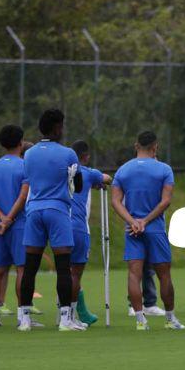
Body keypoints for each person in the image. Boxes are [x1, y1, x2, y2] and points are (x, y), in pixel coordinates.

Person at [18, 109, 84, 332]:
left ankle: (24, 318)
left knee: (30, 266)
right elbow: (79, 184)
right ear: (57, 127)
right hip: (57, 210)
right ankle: (65, 319)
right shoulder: (68, 154)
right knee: (63, 266)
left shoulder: (29, 154)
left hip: (34, 211)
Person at [110, 131, 182, 330]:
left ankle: (141, 321)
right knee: (164, 275)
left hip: (132, 229)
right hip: (155, 228)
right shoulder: (164, 169)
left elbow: (115, 201)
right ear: (155, 147)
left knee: (134, 274)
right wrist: (146, 220)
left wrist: (133, 221)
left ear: (136, 146)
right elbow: (165, 201)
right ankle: (170, 319)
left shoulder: (123, 170)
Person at [0, 125, 30, 328]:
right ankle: (23, 316)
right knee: (22, 270)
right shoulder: (25, 166)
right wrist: (9, 219)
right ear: (21, 143)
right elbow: (23, 195)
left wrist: (1, 218)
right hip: (19, 224)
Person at [70, 140, 111, 326]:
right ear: (86, 157)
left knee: (66, 272)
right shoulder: (88, 172)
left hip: (59, 225)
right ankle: (73, 314)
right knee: (75, 274)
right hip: (78, 227)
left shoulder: (63, 173)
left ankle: (73, 312)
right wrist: (96, 183)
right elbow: (107, 178)